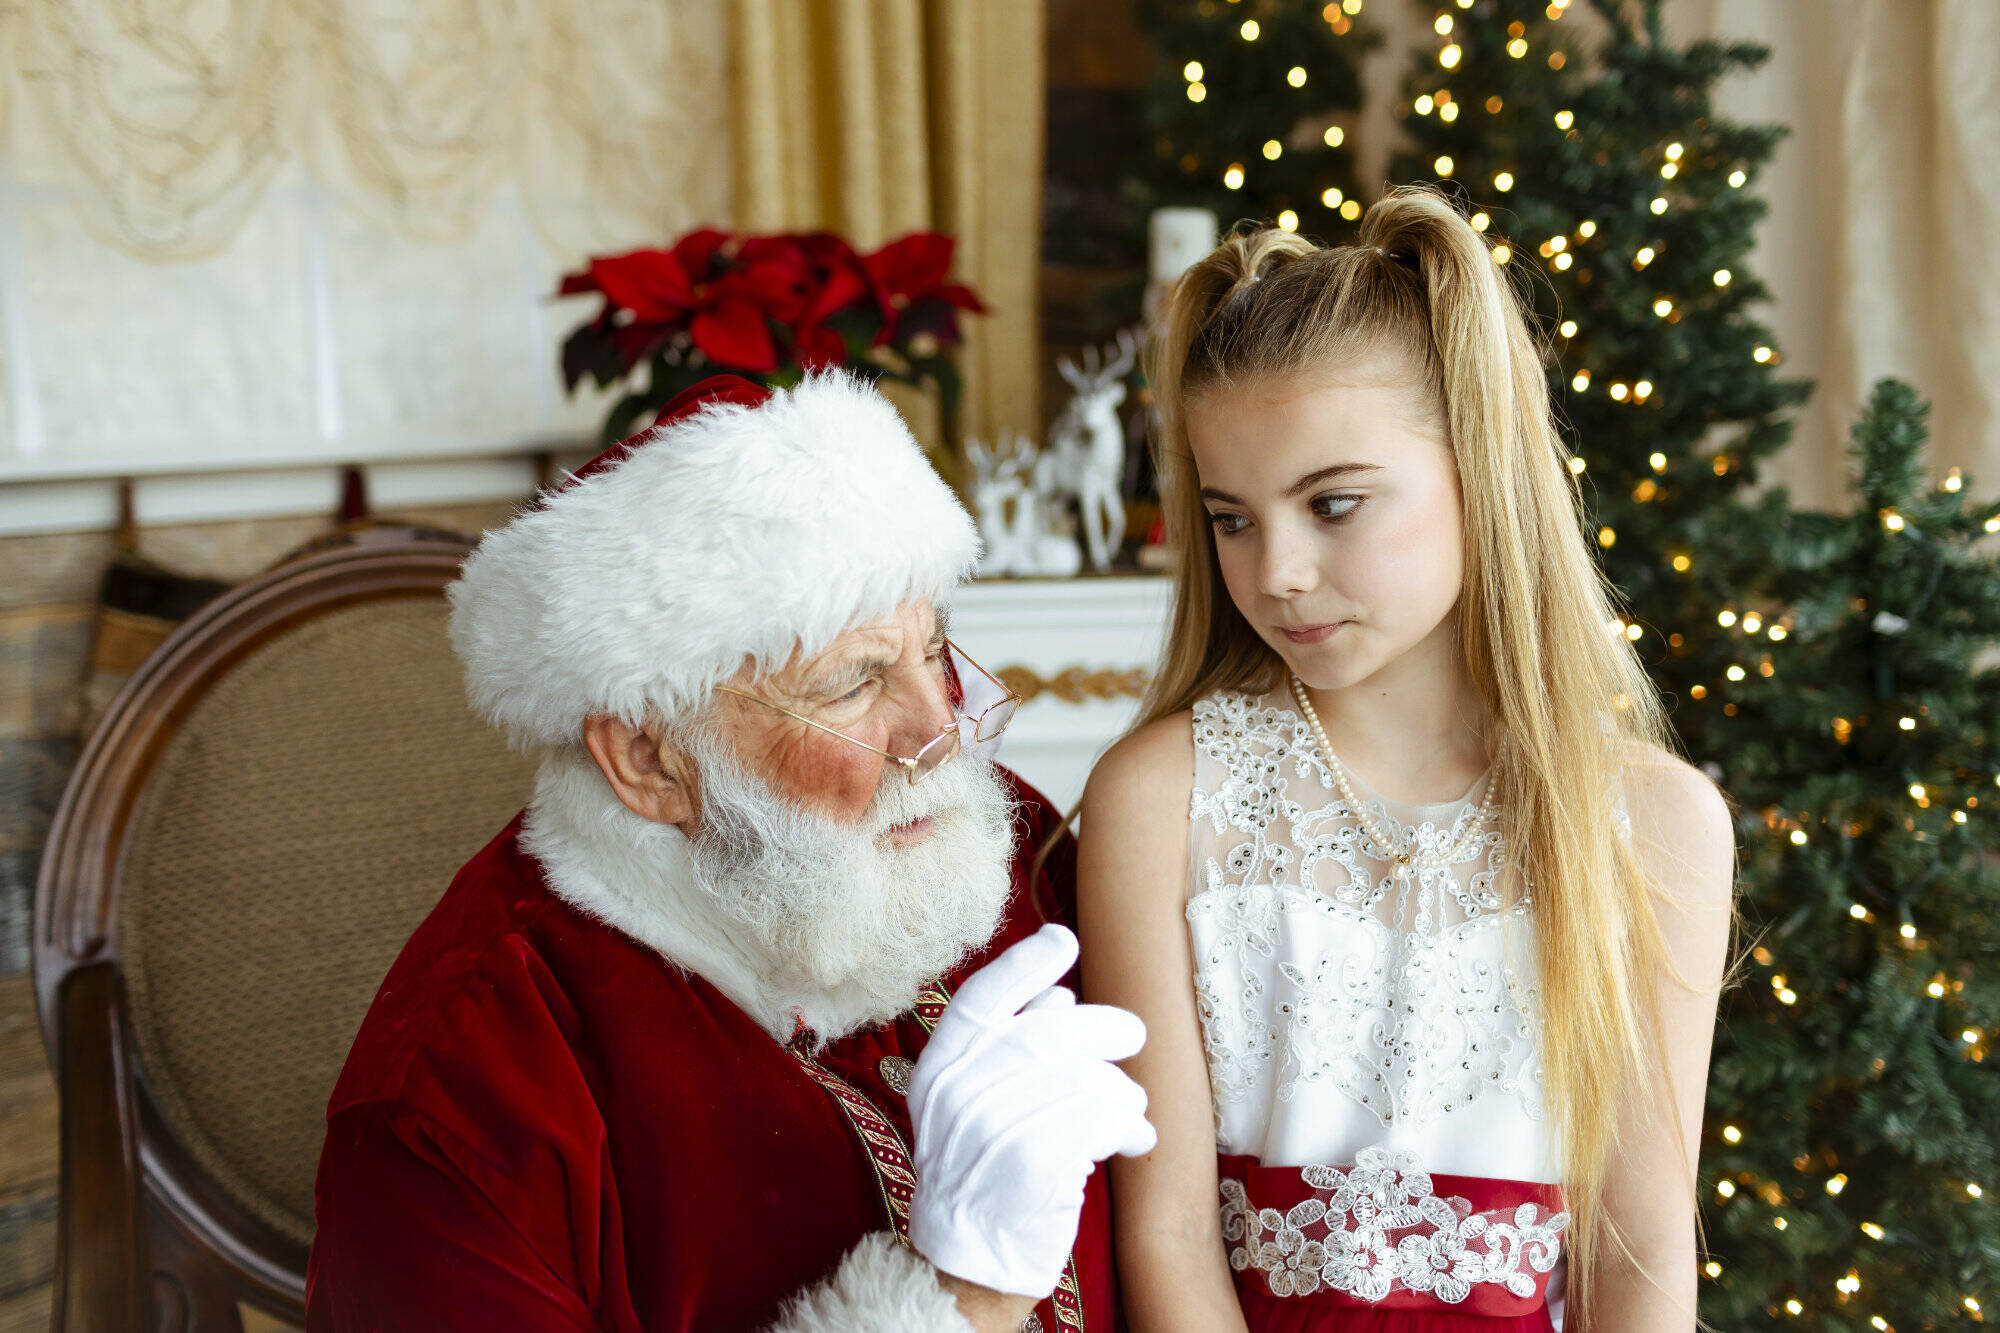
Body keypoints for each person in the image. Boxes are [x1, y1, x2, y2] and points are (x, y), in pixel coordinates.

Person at [305, 371, 1156, 1332]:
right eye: (853, 682)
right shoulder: (463, 1089)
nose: (942, 732)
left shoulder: (1002, 845)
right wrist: (958, 1297)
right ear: (648, 759)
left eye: (935, 651)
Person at [1076, 188, 1735, 1331]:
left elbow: (1638, 1262)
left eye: (1332, 504)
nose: (1275, 569)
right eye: (1231, 517)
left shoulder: (1650, 821)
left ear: (1478, 474)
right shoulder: (1161, 798)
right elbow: (1165, 1240)